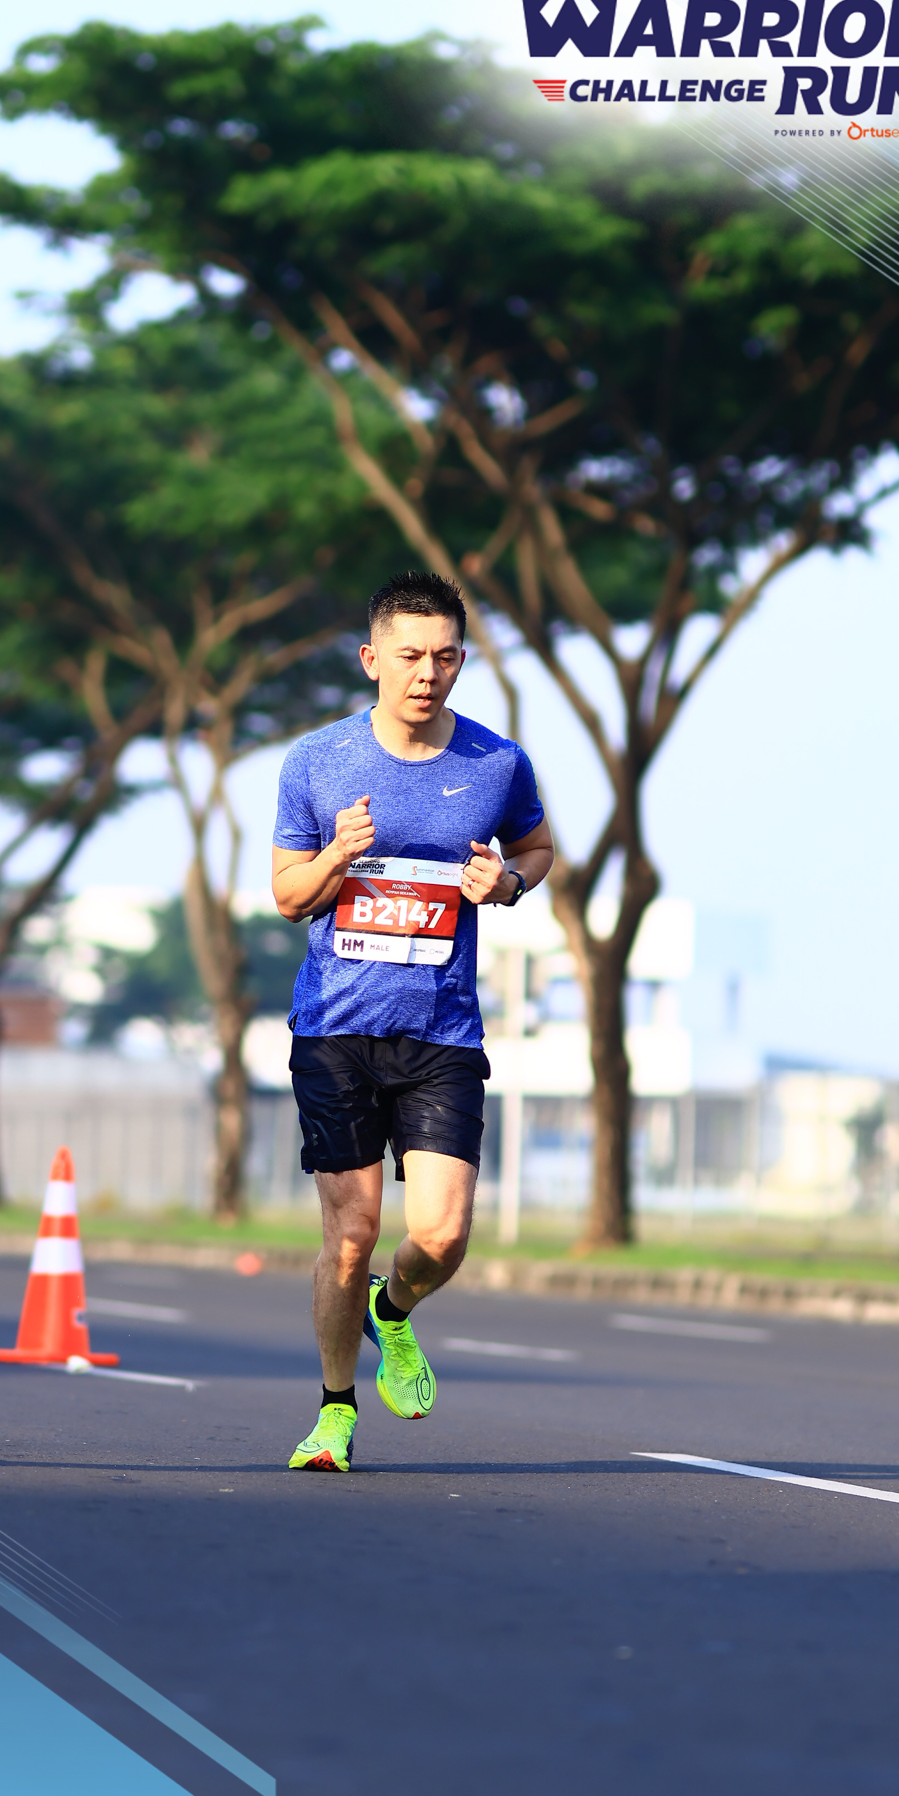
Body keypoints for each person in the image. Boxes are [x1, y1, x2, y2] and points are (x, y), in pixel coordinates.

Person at [273, 572, 553, 1471]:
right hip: (335, 1030)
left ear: (462, 661)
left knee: (440, 1235)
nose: (426, 673)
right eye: (408, 656)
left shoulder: (496, 764)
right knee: (350, 1235)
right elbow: (287, 896)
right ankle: (335, 1413)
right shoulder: (317, 761)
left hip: (443, 1035)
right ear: (371, 660)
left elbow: (537, 847)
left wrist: (508, 884)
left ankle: (392, 1311)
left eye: (444, 657)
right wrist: (337, 856)